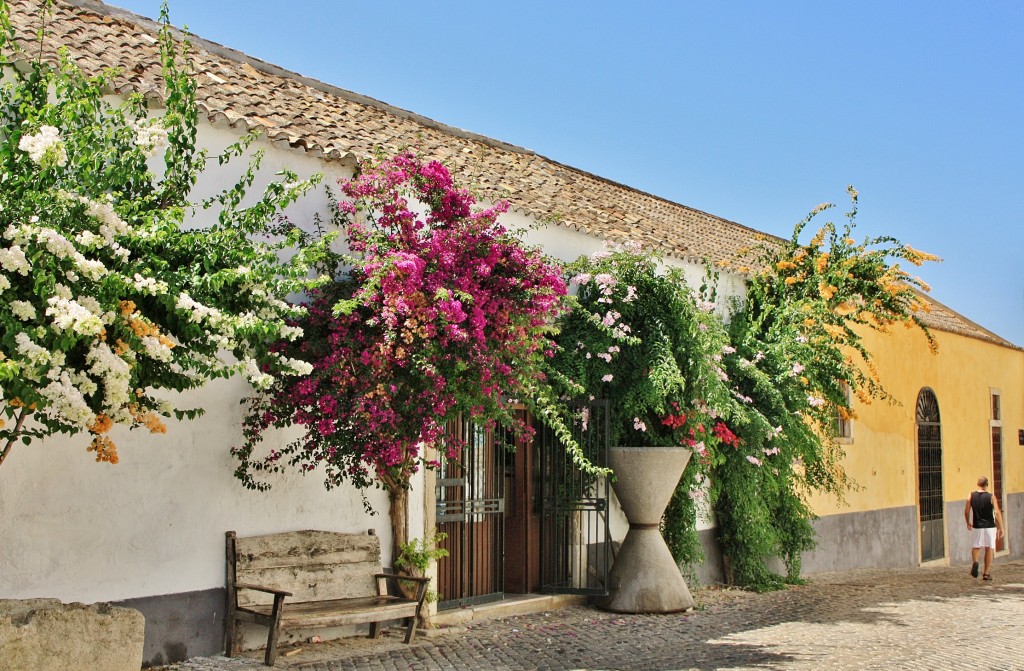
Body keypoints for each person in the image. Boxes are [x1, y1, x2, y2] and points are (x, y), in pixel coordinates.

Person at [964, 476, 1004, 581]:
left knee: (976, 546)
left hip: (977, 526)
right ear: (987, 485)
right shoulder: (991, 497)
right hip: (990, 526)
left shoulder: (971, 496)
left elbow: (967, 511)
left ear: (978, 484)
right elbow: (996, 512)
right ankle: (986, 574)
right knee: (989, 548)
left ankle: (976, 562)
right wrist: (1001, 527)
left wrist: (968, 522)